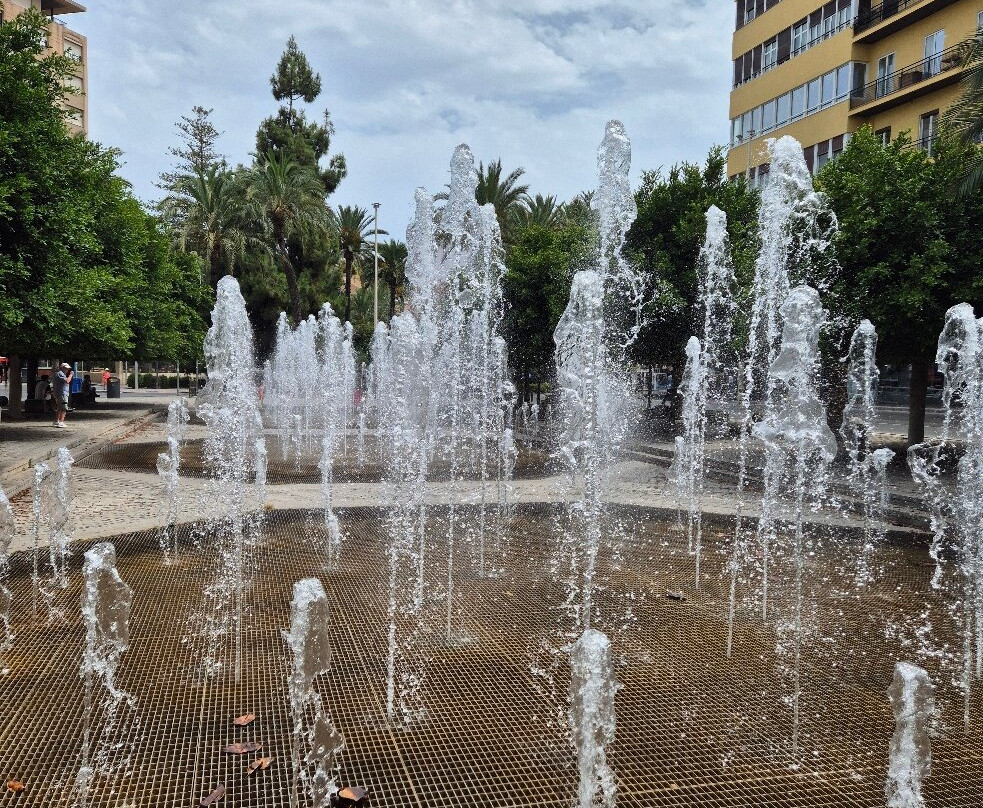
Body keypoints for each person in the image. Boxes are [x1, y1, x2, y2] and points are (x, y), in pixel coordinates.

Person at [52, 362, 73, 428]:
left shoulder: (59, 374)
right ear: (62, 368)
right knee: (64, 408)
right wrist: (71, 375)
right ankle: (61, 422)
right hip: (62, 393)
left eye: (68, 368)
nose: (67, 370)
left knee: (59, 408)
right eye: (66, 368)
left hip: (60, 393)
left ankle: (56, 421)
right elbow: (67, 381)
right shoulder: (60, 374)